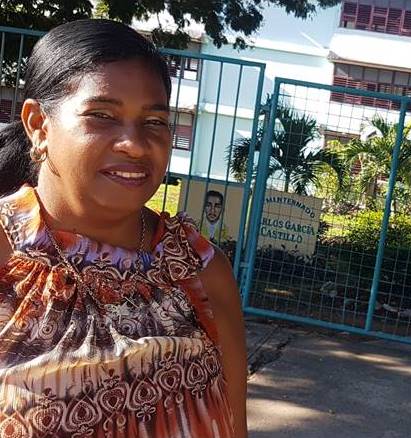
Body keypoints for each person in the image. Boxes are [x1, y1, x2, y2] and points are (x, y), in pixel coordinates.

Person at [0, 20, 247, 437]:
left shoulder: (200, 270)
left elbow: (234, 426)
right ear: (38, 125)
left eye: (154, 121)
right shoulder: (7, 254)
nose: (134, 143)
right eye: (102, 115)